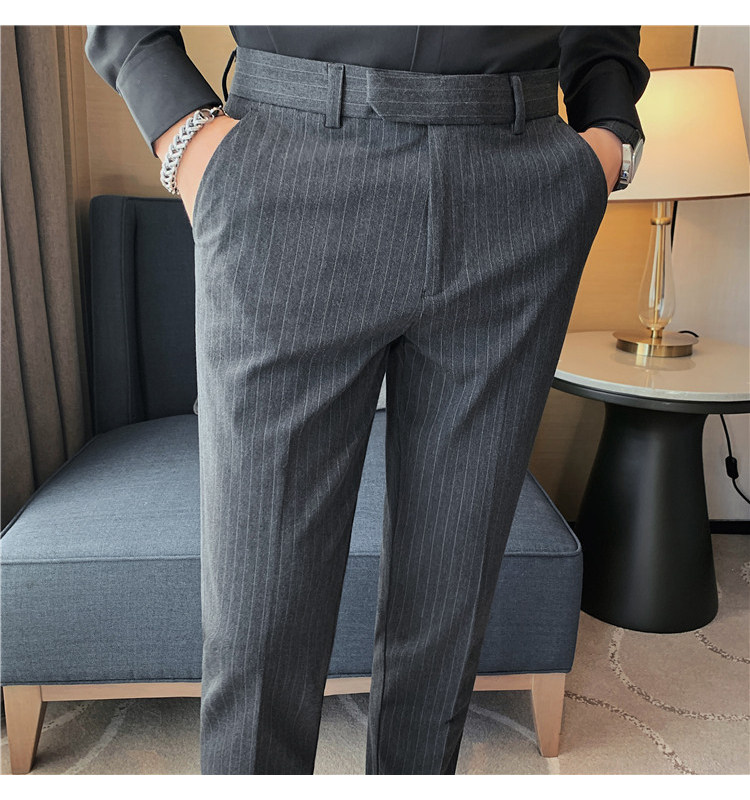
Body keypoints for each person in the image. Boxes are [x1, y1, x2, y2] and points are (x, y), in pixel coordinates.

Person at [85, 25, 649, 775]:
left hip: (517, 180)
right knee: (261, 613)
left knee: (450, 596)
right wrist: (185, 136)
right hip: (289, 167)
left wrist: (608, 132)